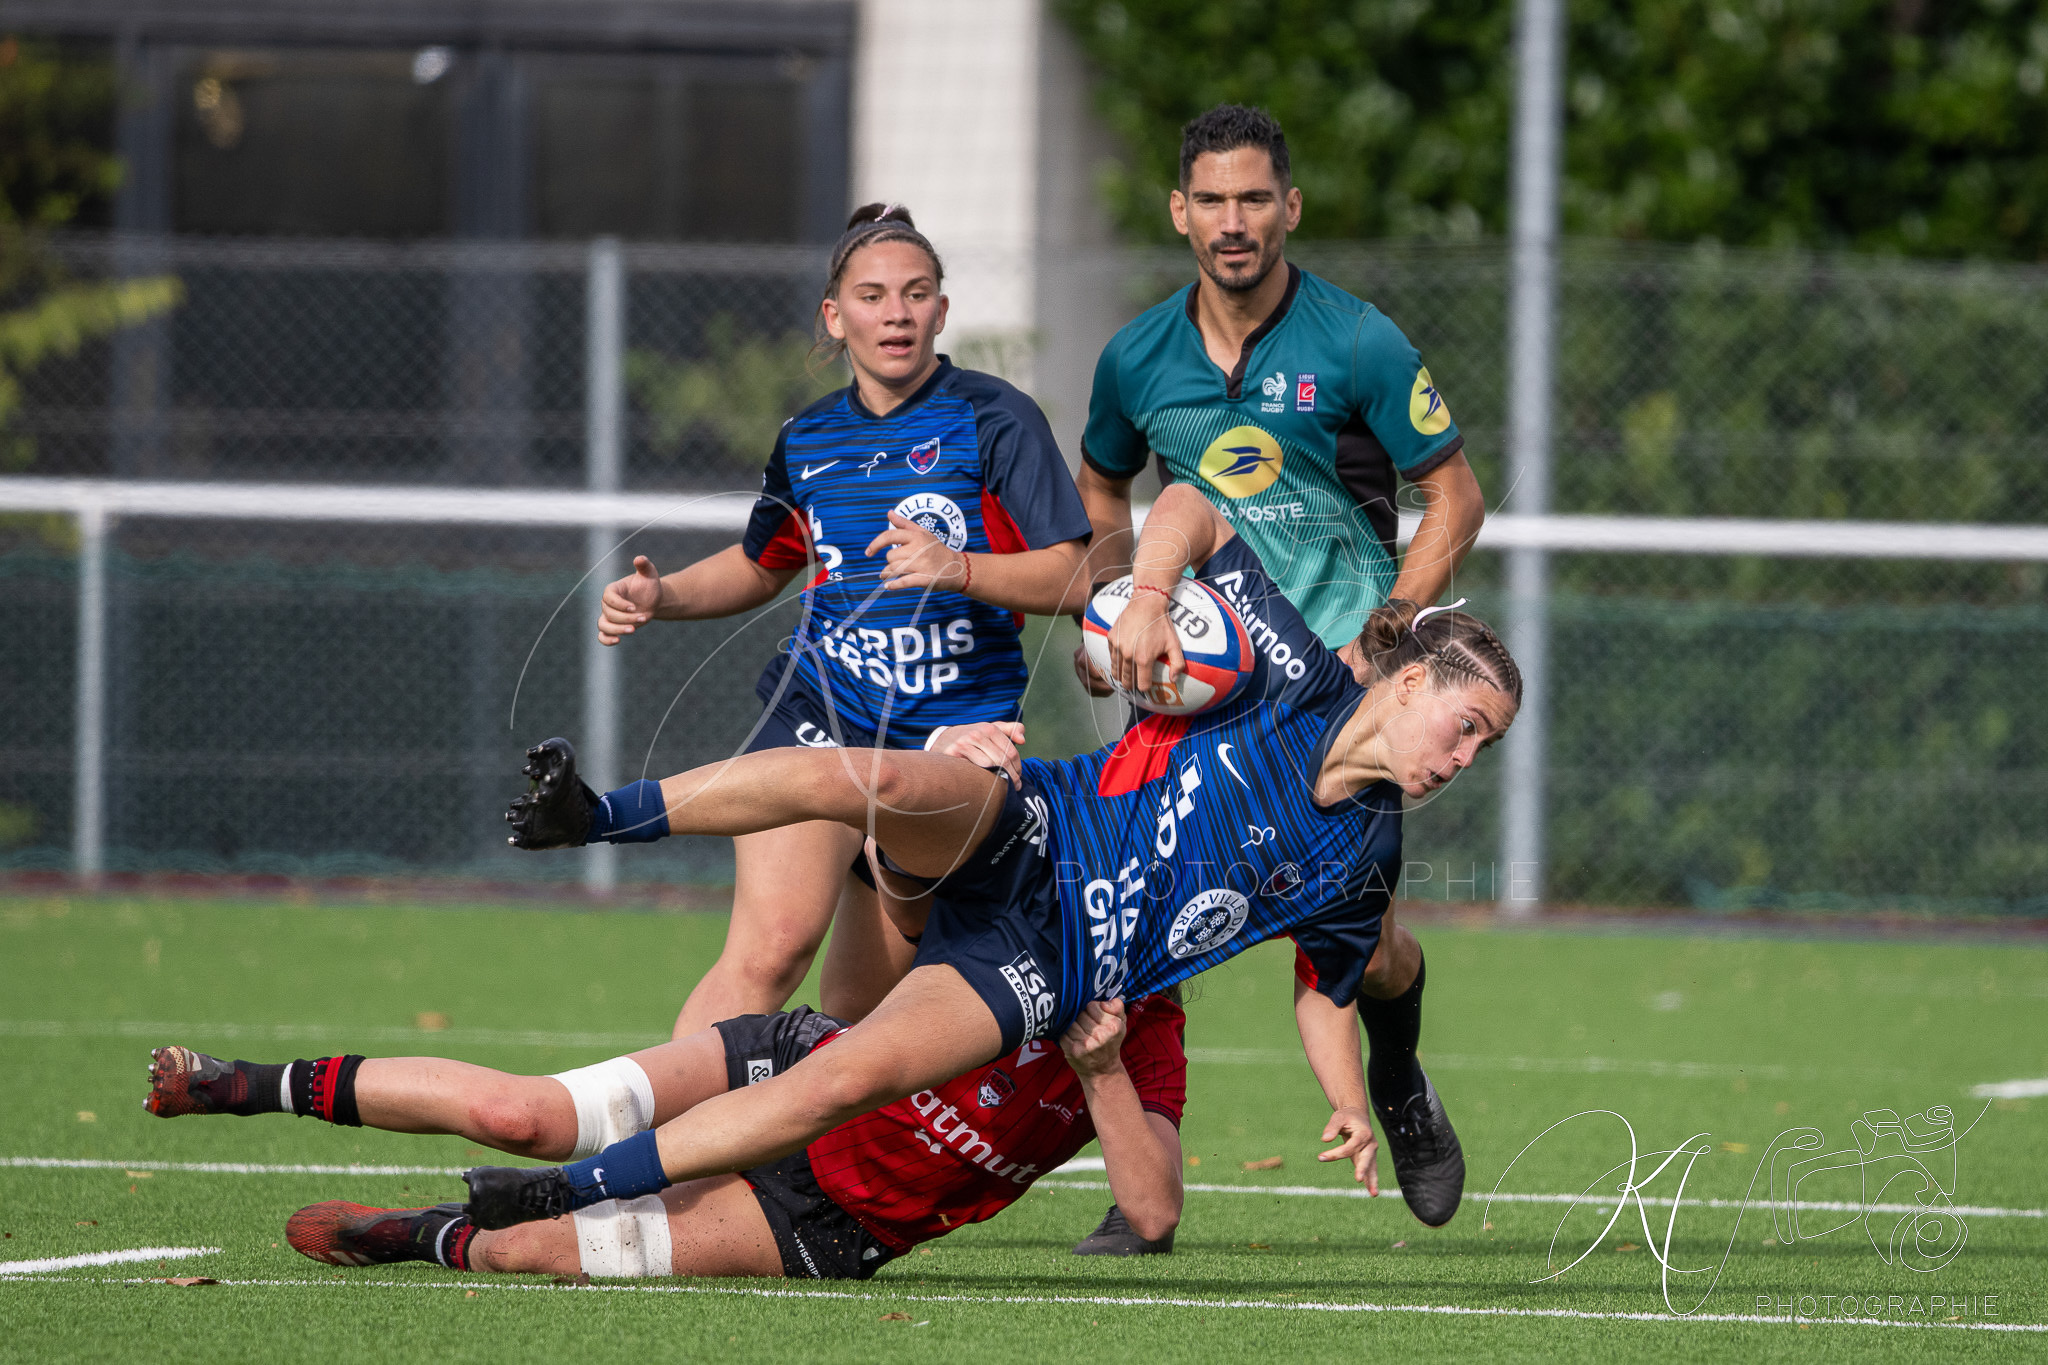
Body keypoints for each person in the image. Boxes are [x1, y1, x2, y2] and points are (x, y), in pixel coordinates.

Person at [478, 479, 1518, 1236]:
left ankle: (570, 1188)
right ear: (1413, 684)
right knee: (858, 776)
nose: (1467, 758)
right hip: (1035, 822)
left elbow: (1325, 989)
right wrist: (1149, 591)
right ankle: (597, 815)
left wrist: (1344, 1099)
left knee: (837, 1082)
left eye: (1488, 746)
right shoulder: (1293, 675)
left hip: (1055, 967)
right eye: (1466, 725)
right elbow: (1195, 504)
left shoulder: (1364, 849)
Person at [590, 203, 1092, 1036]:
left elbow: (1078, 575)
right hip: (823, 710)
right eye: (871, 295)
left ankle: (811, 1154)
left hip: (953, 739)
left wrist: (956, 568)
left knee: (865, 1009)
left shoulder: (996, 418)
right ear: (835, 315)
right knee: (770, 948)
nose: (895, 312)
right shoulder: (808, 437)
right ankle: (654, 1149)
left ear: (941, 307)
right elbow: (764, 563)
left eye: (915, 292)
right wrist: (664, 594)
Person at [141, 992, 1190, 1278]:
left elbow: (1147, 1209)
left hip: (832, 1216)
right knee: (525, 1115)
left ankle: (423, 1235)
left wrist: (1095, 1065)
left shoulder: (1150, 1035)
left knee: (521, 1251)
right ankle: (244, 1084)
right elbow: (904, 843)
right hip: (791, 1060)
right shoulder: (1027, 890)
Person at [1071, 103, 1484, 663]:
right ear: (1180, 211)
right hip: (1196, 675)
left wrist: (1383, 635)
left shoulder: (1361, 341)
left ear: (1290, 208)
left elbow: (1457, 499)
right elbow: (1101, 490)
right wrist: (1108, 611)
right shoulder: (1134, 357)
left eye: (1254, 200)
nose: (1232, 224)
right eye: (1210, 201)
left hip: (1339, 676)